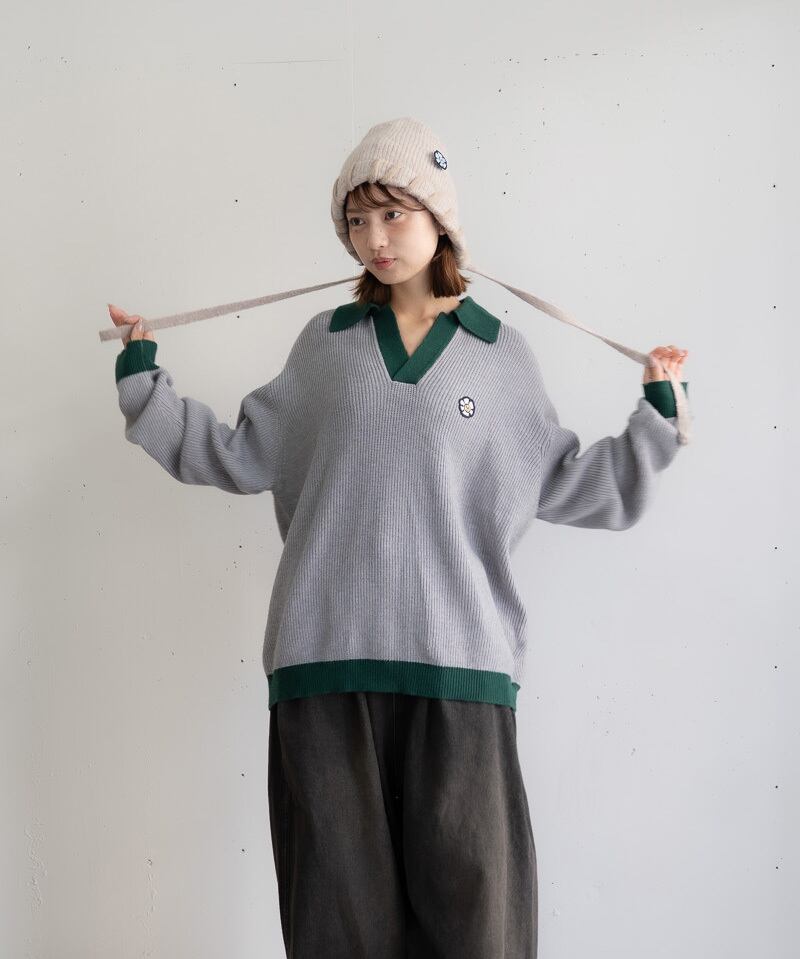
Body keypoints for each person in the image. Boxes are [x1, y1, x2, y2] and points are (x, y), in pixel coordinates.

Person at [109, 117, 689, 959]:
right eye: (357, 220)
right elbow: (237, 453)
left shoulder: (500, 356)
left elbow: (567, 482)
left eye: (393, 214)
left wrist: (657, 418)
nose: (374, 239)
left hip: (461, 670)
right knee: (337, 929)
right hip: (324, 666)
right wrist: (144, 383)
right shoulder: (326, 347)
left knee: (478, 928)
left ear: (438, 220)